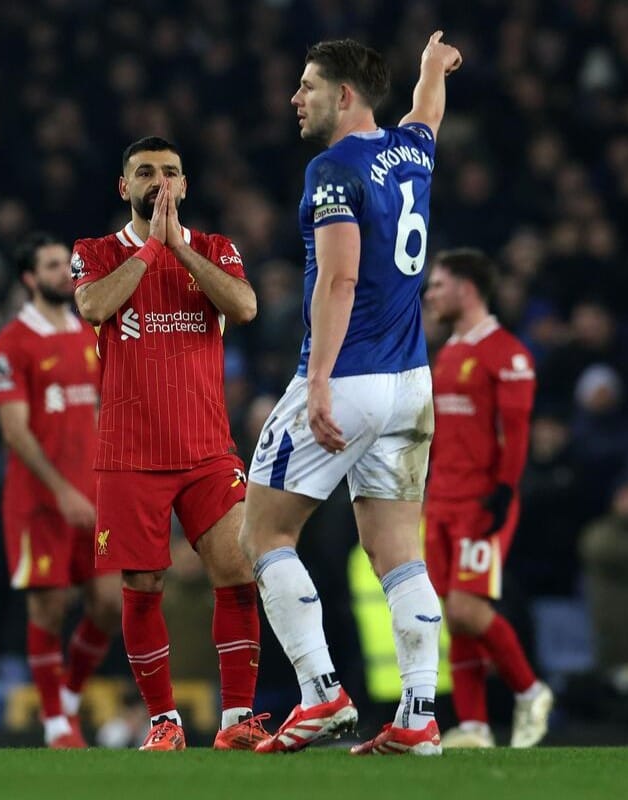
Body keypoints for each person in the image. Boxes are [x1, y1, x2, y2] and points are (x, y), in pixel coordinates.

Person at [240, 33, 462, 757]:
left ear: (343, 95)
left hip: (349, 374)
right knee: (397, 553)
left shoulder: (333, 169)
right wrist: (432, 69)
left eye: (307, 86)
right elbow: (427, 114)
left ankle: (320, 693)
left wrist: (319, 383)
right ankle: (420, 715)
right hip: (411, 384)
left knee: (262, 533)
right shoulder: (412, 150)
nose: (294, 98)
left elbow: (339, 279)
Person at [72, 136, 266, 752]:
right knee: (144, 587)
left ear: (184, 185)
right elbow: (92, 306)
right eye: (146, 172)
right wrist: (153, 247)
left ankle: (238, 720)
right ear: (123, 186)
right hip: (130, 453)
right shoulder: (94, 252)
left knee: (238, 571)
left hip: (207, 447)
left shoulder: (214, 248)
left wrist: (178, 248)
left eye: (171, 172)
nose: (159, 181)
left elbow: (245, 306)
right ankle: (164, 721)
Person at [0, 231, 120, 748]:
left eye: (66, 263)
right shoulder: (12, 343)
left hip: (93, 494)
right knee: (49, 608)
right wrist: (62, 491)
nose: (64, 273)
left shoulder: (88, 333)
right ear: (29, 278)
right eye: (50, 266)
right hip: (40, 502)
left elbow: (103, 410)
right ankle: (54, 723)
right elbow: (14, 430)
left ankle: (67, 698)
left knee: (109, 604)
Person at [421, 248, 553, 748]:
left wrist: (504, 489)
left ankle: (531, 691)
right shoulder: (449, 352)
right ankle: (474, 726)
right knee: (452, 615)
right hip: (441, 498)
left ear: (467, 289)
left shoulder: (508, 354)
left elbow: (516, 431)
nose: (431, 294)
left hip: (481, 500)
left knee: (467, 609)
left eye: (439, 285)